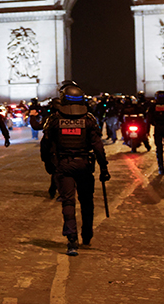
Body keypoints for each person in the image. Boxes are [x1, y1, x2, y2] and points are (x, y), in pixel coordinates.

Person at [41, 84, 110, 256]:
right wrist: (104, 167)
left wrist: (48, 164)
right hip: (85, 165)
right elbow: (98, 146)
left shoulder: (55, 120)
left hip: (64, 166)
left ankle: (72, 240)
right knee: (87, 202)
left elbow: (45, 144)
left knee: (68, 202)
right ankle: (87, 234)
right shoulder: (89, 119)